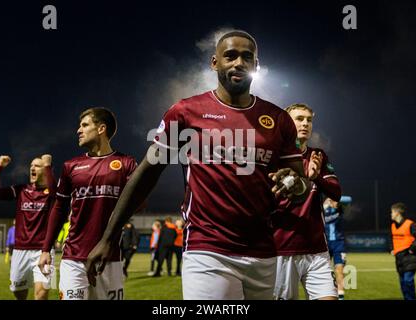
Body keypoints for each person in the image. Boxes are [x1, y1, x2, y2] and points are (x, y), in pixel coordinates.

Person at [87, 30, 311, 300]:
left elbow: (301, 186)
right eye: (230, 56)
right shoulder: (186, 112)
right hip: (207, 249)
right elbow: (147, 173)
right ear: (214, 62)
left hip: (263, 251)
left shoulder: (277, 119)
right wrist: (109, 236)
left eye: (246, 57)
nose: (238, 63)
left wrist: (294, 184)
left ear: (256, 65)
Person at [38, 107, 138, 300]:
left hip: (109, 258)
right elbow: (59, 208)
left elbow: (138, 203)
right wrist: (45, 249)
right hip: (73, 258)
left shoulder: (126, 164)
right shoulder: (71, 166)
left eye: (85, 125)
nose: (78, 130)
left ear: (101, 128)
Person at [272, 103, 341, 300]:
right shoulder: (273, 157)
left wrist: (316, 177)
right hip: (282, 250)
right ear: (285, 124)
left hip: (317, 250)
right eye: (299, 119)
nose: (305, 124)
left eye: (309, 120)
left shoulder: (317, 155)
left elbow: (336, 193)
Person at [0, 154, 56, 300]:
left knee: (41, 294)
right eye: (31, 165)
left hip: (43, 250)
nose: (32, 168)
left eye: (37, 166)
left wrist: (48, 165)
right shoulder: (21, 190)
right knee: (19, 293)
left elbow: (55, 193)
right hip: (20, 251)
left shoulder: (51, 191)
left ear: (45, 170)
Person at [390, 202, 416, 300]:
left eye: (392, 212)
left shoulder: (410, 224)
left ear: (397, 213)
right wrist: (392, 249)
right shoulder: (393, 226)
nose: (391, 214)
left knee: (408, 281)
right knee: (403, 284)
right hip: (399, 258)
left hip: (410, 257)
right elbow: (391, 239)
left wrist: (411, 249)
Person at [324, 195, 352, 300]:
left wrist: (334, 198)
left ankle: (341, 296)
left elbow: (349, 199)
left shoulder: (340, 209)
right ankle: (326, 293)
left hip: (339, 244)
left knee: (339, 269)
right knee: (324, 270)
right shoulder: (323, 209)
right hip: (325, 244)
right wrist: (326, 204)